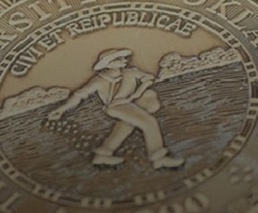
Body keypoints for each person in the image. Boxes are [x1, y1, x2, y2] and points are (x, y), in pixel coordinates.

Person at [48, 48, 184, 169]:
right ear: (108, 64)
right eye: (118, 59)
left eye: (123, 58)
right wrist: (62, 109)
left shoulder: (130, 72)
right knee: (149, 122)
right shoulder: (99, 81)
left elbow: (148, 79)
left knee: (126, 125)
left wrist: (137, 93)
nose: (124, 60)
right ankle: (158, 158)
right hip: (116, 106)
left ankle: (103, 153)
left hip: (130, 103)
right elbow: (79, 95)